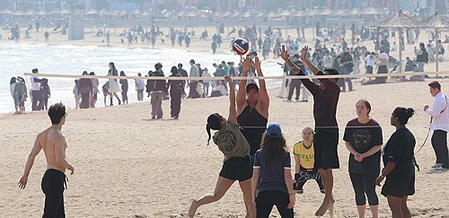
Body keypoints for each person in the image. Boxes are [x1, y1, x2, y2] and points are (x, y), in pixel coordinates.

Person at [281, 45, 340, 216]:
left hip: (330, 131)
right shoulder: (318, 91)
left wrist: (306, 60)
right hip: (319, 131)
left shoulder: (334, 89)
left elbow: (318, 75)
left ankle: (327, 198)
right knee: (321, 167)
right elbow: (301, 75)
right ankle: (328, 197)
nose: (322, 80)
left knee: (327, 168)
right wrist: (287, 60)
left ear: (333, 79)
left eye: (326, 77)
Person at [188, 76, 255, 218]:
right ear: (222, 120)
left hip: (229, 164)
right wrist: (231, 84)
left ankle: (197, 203)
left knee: (216, 195)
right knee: (250, 201)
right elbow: (232, 102)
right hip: (242, 163)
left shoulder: (215, 137)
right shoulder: (232, 125)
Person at [18, 103, 75, 218]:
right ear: (63, 118)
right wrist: (70, 166)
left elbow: (31, 156)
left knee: (60, 215)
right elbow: (59, 160)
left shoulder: (42, 135)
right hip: (55, 179)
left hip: (47, 178)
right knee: (49, 215)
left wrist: (25, 175)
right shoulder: (59, 136)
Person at [344, 99, 383, 218]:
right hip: (355, 164)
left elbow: (378, 145)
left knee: (369, 190)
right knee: (358, 191)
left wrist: (364, 155)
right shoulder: (351, 124)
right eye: (357, 107)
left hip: (371, 164)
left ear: (368, 109)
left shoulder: (374, 125)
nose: (359, 109)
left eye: (361, 107)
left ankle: (375, 216)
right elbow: (347, 142)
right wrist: (355, 153)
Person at [375, 107, 416, 218]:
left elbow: (393, 161)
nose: (391, 118)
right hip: (409, 171)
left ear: (396, 119)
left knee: (395, 208)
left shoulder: (398, 137)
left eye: (392, 116)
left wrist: (382, 176)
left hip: (398, 174)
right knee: (403, 205)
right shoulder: (409, 134)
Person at [252, 123, 295, 217]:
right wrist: (291, 195)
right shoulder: (285, 154)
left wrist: (252, 196)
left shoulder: (259, 153)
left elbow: (255, 176)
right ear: (281, 137)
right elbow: (287, 176)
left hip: (264, 191)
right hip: (281, 191)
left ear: (266, 137)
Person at [237, 56, 269, 166]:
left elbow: (263, 88)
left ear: (258, 94)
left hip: (259, 151)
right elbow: (241, 88)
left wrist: (259, 70)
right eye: (249, 92)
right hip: (242, 151)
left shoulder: (262, 107)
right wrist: (245, 70)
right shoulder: (241, 106)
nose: (251, 94)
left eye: (254, 92)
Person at [424, 81, 449, 170]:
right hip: (443, 124)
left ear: (436, 89)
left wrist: (427, 109)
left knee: (440, 143)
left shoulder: (439, 99)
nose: (430, 92)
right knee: (436, 142)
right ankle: (440, 161)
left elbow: (435, 113)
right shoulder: (444, 97)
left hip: (441, 124)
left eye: (431, 90)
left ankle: (445, 163)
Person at [293, 127, 325, 194]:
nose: (306, 136)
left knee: (325, 188)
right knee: (295, 188)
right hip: (304, 171)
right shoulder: (297, 146)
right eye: (304, 133)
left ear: (313, 135)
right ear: (302, 135)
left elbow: (322, 160)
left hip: (316, 170)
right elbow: (297, 162)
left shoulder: (316, 145)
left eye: (309, 134)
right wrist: (296, 176)